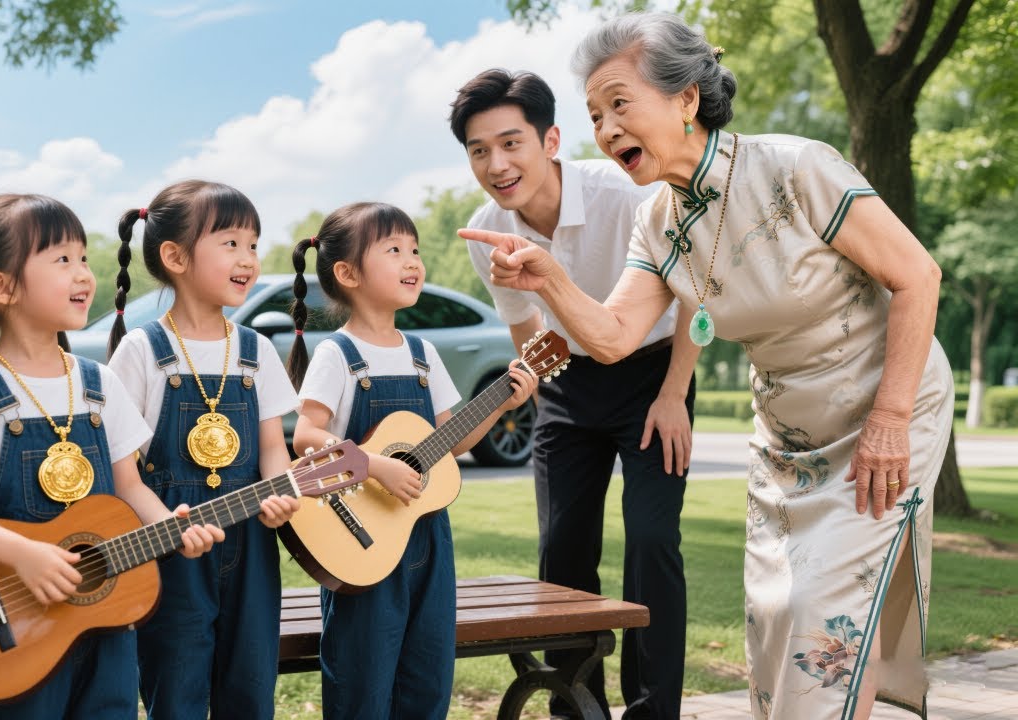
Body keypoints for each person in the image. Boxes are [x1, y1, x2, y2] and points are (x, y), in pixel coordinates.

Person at [460, 13, 953, 720]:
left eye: (620, 104)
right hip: (789, 430)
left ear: (687, 98)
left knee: (826, 611)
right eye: (596, 114)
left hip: (886, 401)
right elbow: (611, 336)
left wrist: (891, 418)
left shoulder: (794, 166)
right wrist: (550, 281)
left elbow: (918, 276)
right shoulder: (657, 221)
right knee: (777, 614)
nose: (606, 128)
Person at [0, 193, 223, 719]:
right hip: (17, 633)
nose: (84, 274)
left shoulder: (98, 384)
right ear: (2, 286)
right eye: (62, 260)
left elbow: (129, 487)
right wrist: (24, 554)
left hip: (106, 624)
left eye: (83, 258)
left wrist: (171, 525)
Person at [449, 68, 699, 718]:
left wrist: (675, 395)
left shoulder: (626, 196)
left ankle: (653, 709)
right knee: (561, 548)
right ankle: (574, 704)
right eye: (479, 151)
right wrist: (541, 402)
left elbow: (700, 299)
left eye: (511, 143)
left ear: (550, 139)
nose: (497, 164)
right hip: (566, 382)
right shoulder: (488, 230)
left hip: (654, 373)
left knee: (651, 539)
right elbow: (529, 335)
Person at [286, 202, 537, 719]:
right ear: (347, 273)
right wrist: (377, 466)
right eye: (394, 250)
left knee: (427, 678)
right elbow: (307, 437)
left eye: (415, 250)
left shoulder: (422, 354)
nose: (412, 261)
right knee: (363, 682)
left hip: (428, 538)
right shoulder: (339, 354)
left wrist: (503, 401)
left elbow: (451, 441)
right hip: (362, 538)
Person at [106, 180, 300, 720]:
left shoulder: (255, 349)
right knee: (178, 687)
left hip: (251, 543)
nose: (249, 259)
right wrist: (169, 526)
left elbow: (271, 450)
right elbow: (124, 473)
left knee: (251, 683)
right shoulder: (143, 350)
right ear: (175, 256)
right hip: (170, 548)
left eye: (254, 245)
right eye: (231, 243)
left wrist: (281, 490)